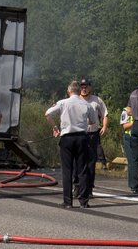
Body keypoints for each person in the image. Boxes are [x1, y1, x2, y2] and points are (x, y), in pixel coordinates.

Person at [45, 81, 98, 209]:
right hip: (82, 137)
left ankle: (67, 201)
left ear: (69, 92)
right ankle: (84, 201)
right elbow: (93, 121)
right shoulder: (86, 104)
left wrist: (55, 127)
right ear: (79, 91)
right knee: (82, 169)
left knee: (67, 170)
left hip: (67, 137)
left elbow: (47, 113)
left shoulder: (63, 103)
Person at [75, 78, 108, 199]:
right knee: (78, 161)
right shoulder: (75, 100)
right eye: (82, 86)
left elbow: (104, 114)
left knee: (90, 163)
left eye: (86, 86)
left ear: (90, 87)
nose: (84, 88)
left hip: (93, 134)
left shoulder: (96, 100)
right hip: (79, 133)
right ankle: (77, 186)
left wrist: (104, 126)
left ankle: (89, 188)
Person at [120, 106, 138, 190]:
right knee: (133, 161)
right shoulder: (126, 111)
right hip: (130, 137)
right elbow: (125, 126)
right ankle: (134, 186)